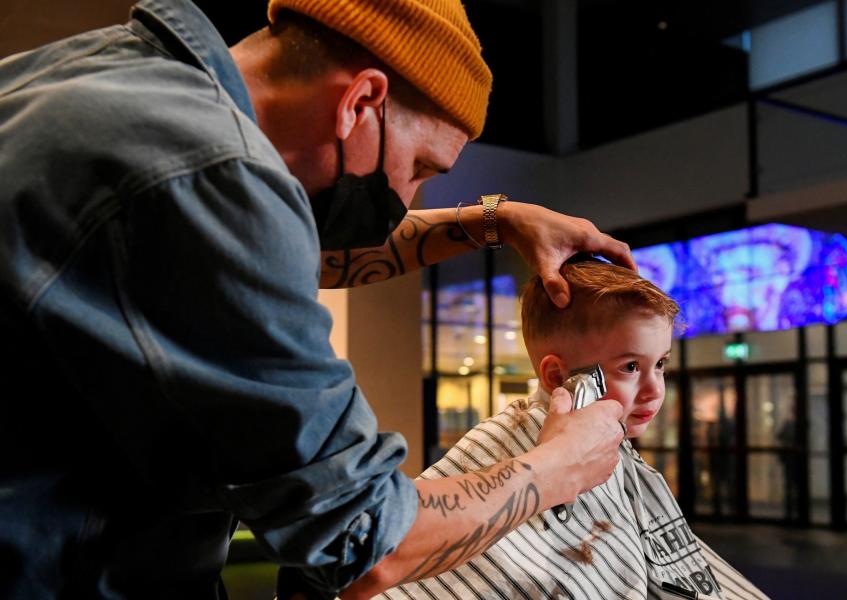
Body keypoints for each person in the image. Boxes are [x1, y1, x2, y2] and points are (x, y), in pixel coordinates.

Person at [0, 1, 636, 598]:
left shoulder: (105, 77)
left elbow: (281, 257)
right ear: (360, 101)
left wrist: (493, 222)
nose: (407, 200)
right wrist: (557, 465)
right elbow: (366, 539)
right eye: (418, 167)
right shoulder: (208, 173)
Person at [377, 259, 769, 599]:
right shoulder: (511, 438)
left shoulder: (619, 454)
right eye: (630, 367)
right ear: (556, 375)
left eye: (661, 364)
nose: (654, 388)